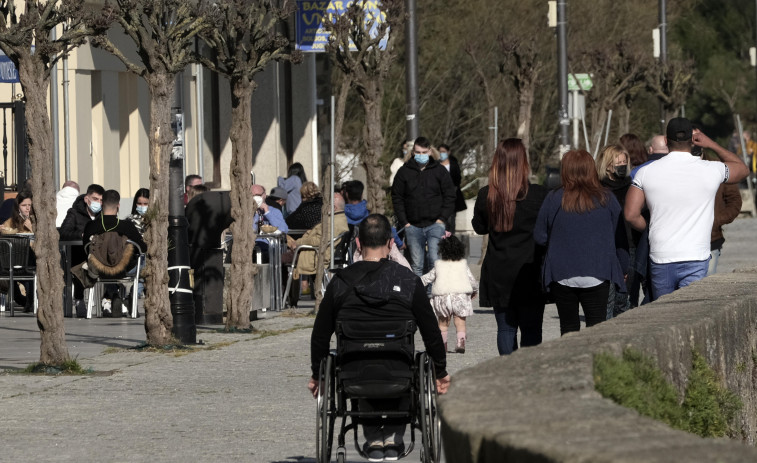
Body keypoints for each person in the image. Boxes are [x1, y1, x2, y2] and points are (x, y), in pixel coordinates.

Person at [308, 213, 450, 461]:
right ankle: (393, 439)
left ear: (359, 244)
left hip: (353, 374)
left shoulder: (339, 282)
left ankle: (374, 439)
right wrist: (440, 371)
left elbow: (320, 335)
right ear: (391, 243)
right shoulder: (408, 281)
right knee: (400, 362)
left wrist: (315, 374)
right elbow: (431, 331)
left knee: (360, 361)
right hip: (400, 372)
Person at [624, 118, 749, 301]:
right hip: (696, 254)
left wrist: (651, 229)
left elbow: (630, 214)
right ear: (692, 140)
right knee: (690, 310)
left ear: (666, 141)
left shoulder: (646, 172)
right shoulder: (711, 169)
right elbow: (743, 170)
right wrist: (711, 143)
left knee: (663, 313)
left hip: (662, 254)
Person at [534, 150, 628, 336]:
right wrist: (623, 267)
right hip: (598, 270)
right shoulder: (607, 198)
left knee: (568, 328)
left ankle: (571, 363)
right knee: (596, 326)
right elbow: (621, 236)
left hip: (562, 272)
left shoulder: (554, 198)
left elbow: (539, 236)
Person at [472, 138, 548, 355]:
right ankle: (528, 375)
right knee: (532, 329)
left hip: (499, 270)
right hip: (530, 269)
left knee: (505, 329)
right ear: (523, 162)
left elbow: (479, 227)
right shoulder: (539, 194)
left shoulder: (488, 195)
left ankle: (507, 372)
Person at [391, 136, 456, 282]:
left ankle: (433, 295)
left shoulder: (439, 171)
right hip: (412, 225)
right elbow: (397, 197)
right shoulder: (404, 172)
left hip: (435, 224)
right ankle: (419, 297)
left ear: (430, 152)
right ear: (413, 152)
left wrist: (442, 219)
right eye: (418, 152)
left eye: (424, 152)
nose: (421, 155)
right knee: (417, 264)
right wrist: (405, 222)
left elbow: (450, 195)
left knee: (435, 260)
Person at [79, 190, 146, 317]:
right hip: (124, 269)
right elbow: (142, 248)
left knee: (104, 264)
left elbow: (85, 248)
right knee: (143, 261)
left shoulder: (91, 226)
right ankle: (131, 296)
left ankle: (113, 294)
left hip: (99, 269)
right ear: (118, 205)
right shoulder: (126, 226)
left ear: (102, 204)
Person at [420, 235, 477, 354]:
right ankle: (460, 342)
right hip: (460, 296)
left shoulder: (438, 264)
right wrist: (474, 290)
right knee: (460, 322)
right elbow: (472, 281)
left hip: (442, 297)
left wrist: (415, 282)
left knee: (443, 323)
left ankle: (443, 345)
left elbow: (427, 278)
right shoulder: (463, 264)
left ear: (442, 250)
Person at [285, 193, 349, 299]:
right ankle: (290, 298)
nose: (322, 208)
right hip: (313, 250)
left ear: (333, 207)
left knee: (280, 258)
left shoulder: (333, 222)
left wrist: (299, 242)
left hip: (315, 253)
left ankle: (286, 298)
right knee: (285, 250)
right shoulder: (337, 219)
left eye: (326, 205)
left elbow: (319, 240)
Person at [596, 144, 632, 318]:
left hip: (631, 244)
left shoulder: (632, 186)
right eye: (618, 162)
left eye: (624, 161)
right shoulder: (599, 189)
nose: (622, 165)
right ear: (607, 164)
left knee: (626, 298)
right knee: (611, 299)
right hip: (608, 247)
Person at [59, 183, 105, 316]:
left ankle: (110, 298)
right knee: (82, 265)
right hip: (78, 255)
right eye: (95, 199)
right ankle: (79, 299)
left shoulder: (102, 216)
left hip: (99, 255)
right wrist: (81, 235)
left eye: (101, 200)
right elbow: (63, 233)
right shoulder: (74, 213)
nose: (99, 203)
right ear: (87, 199)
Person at [708, 182, 742, 275]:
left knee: (704, 285)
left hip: (710, 242)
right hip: (674, 243)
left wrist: (716, 220)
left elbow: (734, 199)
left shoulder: (720, 168)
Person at [438, 144, 467, 234]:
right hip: (439, 198)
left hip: (452, 197)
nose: (442, 154)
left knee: (451, 220)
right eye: (440, 152)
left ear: (448, 152)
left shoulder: (454, 165)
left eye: (444, 152)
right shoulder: (436, 165)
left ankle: (451, 238)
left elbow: (457, 180)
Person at [126, 188, 149, 299]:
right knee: (143, 261)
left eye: (145, 204)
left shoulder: (157, 222)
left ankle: (134, 295)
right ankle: (134, 294)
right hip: (134, 260)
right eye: (139, 203)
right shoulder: (129, 222)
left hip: (151, 261)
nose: (142, 206)